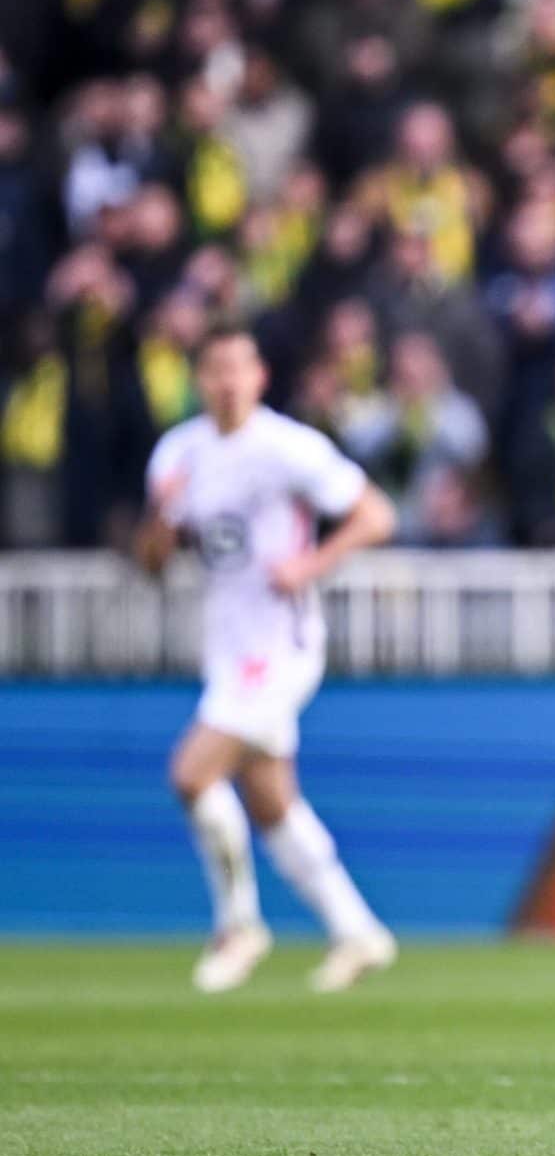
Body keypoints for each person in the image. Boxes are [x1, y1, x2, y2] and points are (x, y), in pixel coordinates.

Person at [134, 324, 401, 995]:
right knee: (272, 802)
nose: (226, 383)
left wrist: (311, 563)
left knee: (192, 775)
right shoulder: (179, 453)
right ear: (199, 380)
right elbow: (151, 564)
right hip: (226, 646)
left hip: (283, 646)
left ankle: (238, 925)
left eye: (237, 369)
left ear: (259, 377)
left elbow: (375, 515)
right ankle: (357, 930)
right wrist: (161, 522)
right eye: (214, 370)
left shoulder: (288, 447)